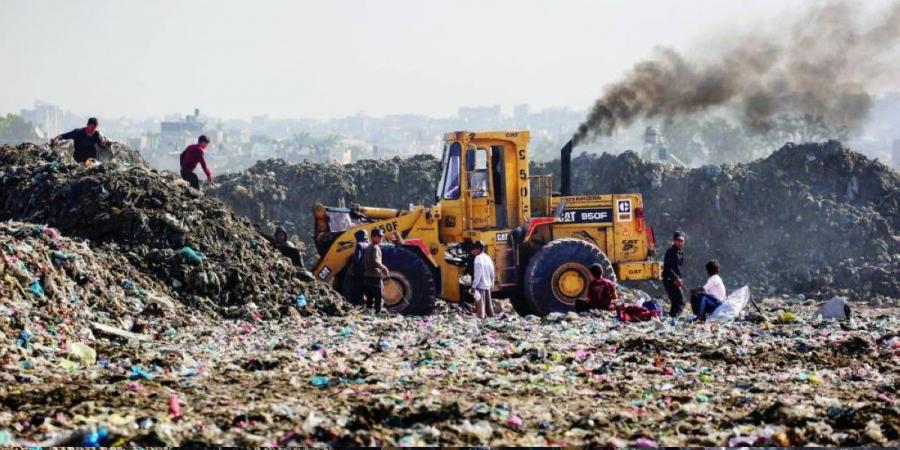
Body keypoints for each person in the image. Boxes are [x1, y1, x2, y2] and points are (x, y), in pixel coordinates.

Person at [362, 228, 390, 313]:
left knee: (369, 297)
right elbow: (375, 261)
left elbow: (364, 261)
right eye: (379, 236)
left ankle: (368, 311)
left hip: (367, 276)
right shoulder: (375, 248)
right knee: (378, 296)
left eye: (381, 237)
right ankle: (378, 312)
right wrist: (383, 267)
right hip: (375, 276)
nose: (381, 238)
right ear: (373, 237)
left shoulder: (368, 247)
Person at [662, 231, 686, 322]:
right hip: (669, 280)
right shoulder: (671, 252)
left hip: (675, 279)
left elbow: (678, 268)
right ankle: (674, 319)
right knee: (680, 301)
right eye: (678, 240)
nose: (680, 243)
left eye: (682, 241)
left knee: (676, 301)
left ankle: (671, 320)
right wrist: (676, 278)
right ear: (674, 241)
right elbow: (668, 268)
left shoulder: (680, 253)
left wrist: (680, 278)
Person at [470, 240, 496, 319]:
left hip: (480, 286)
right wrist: (492, 283)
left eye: (474, 249)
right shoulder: (488, 258)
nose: (472, 251)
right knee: (489, 308)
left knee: (480, 311)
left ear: (478, 249)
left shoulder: (478, 258)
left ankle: (481, 321)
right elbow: (492, 272)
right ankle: (492, 319)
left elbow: (478, 274)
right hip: (487, 286)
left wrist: (473, 286)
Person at [348, 229, 369, 305]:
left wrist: (353, 269)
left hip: (359, 271)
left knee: (357, 289)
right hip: (368, 271)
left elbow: (357, 259)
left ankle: (357, 304)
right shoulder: (369, 245)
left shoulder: (360, 244)